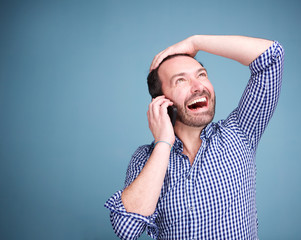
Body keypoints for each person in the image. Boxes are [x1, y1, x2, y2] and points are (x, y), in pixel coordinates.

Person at [105, 35, 284, 239]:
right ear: (161, 102)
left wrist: (195, 43)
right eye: (180, 80)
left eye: (201, 75)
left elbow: (272, 56)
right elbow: (127, 229)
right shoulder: (145, 159)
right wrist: (163, 143)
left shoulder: (240, 132)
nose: (198, 86)